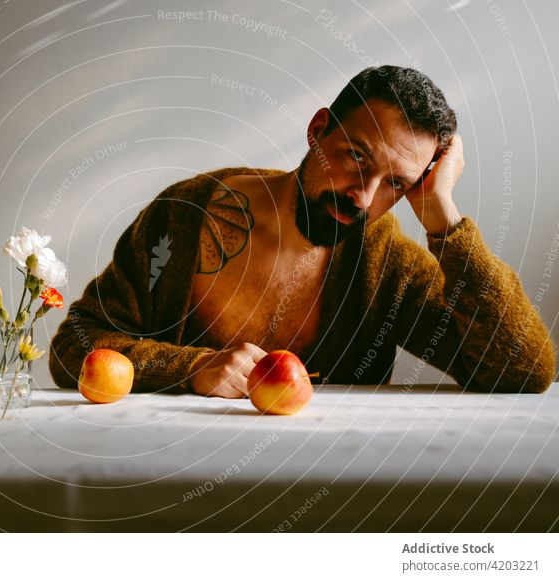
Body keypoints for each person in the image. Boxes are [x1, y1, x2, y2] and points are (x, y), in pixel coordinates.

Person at [49, 66, 556, 397]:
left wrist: (442, 215)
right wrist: (189, 368)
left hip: (328, 497)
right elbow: (73, 345)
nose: (363, 195)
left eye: (395, 184)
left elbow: (525, 370)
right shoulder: (189, 215)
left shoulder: (384, 267)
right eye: (355, 157)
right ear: (318, 131)